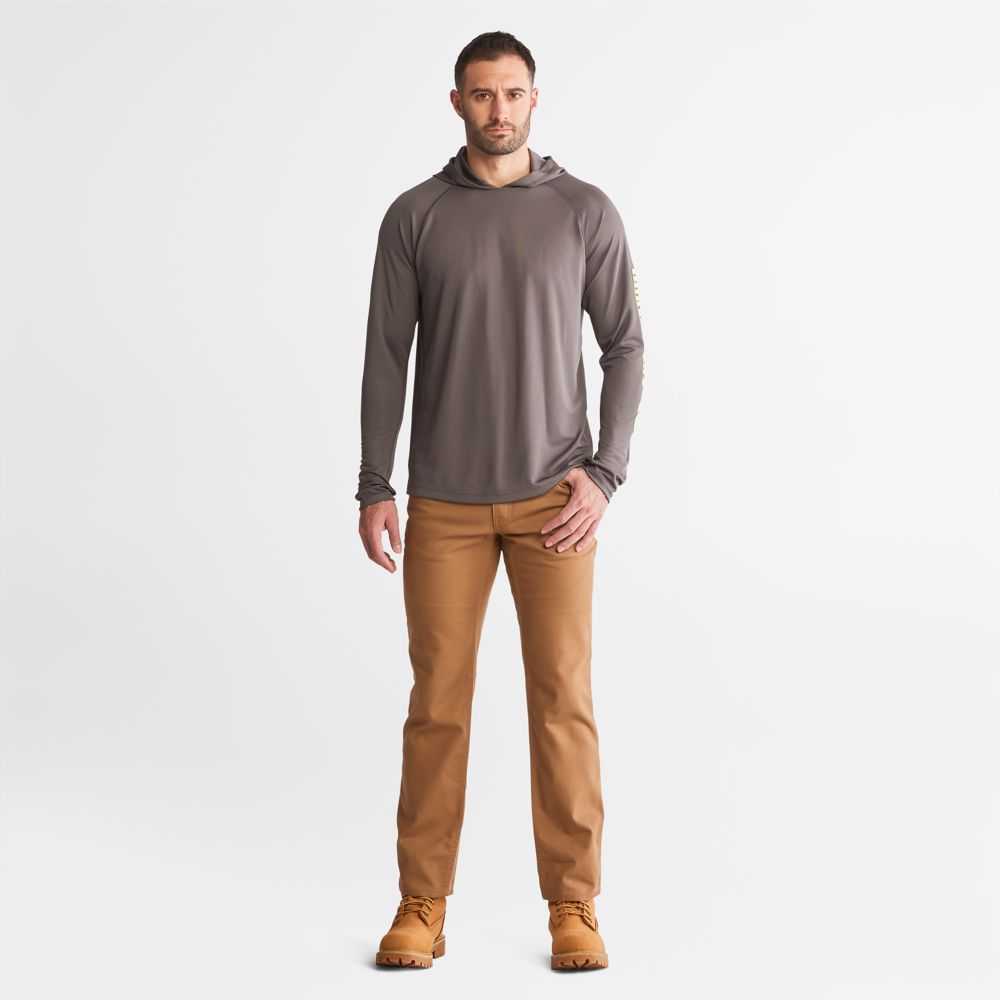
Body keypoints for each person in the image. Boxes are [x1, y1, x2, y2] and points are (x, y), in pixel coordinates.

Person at [358, 30, 644, 971]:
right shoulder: (416, 216)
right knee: (437, 705)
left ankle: (574, 904)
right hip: (443, 503)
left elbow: (625, 346)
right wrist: (375, 483)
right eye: (481, 94)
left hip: (555, 500)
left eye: (512, 93)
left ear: (535, 100)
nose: (498, 109)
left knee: (562, 699)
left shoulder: (583, 211)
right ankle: (421, 904)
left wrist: (605, 474)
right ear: (457, 103)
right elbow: (386, 357)